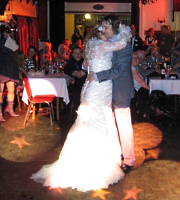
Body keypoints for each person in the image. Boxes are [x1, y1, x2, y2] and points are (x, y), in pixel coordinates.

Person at [31, 22, 131, 191]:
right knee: (97, 123)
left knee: (92, 122)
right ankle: (93, 165)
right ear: (98, 34)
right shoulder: (101, 45)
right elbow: (122, 43)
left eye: (107, 29)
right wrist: (123, 31)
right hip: (98, 88)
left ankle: (85, 158)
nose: (106, 33)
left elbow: (86, 65)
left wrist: (89, 65)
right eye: (103, 30)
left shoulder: (93, 45)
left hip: (95, 87)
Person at [88, 15, 135, 173]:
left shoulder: (124, 46)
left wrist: (96, 76)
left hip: (120, 90)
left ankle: (129, 160)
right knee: (110, 125)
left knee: (124, 126)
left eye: (106, 27)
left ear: (115, 27)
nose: (103, 30)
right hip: (107, 90)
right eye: (102, 27)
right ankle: (116, 154)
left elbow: (116, 71)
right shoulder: (111, 42)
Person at [0, 26, 19, 121]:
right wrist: (5, 38)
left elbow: (15, 49)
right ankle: (0, 113)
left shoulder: (11, 40)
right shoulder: (1, 41)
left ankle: (10, 109)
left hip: (11, 67)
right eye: (6, 31)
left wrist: (9, 38)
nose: (8, 33)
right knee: (0, 90)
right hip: (2, 68)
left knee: (11, 89)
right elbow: (4, 50)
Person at [64, 46, 86, 113]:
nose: (78, 55)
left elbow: (89, 71)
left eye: (79, 53)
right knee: (75, 93)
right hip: (75, 84)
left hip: (83, 83)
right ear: (73, 54)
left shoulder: (84, 61)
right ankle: (77, 112)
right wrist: (73, 74)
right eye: (76, 53)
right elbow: (66, 71)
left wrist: (84, 73)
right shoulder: (71, 62)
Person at [130, 52, 149, 123]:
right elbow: (140, 81)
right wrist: (149, 89)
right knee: (148, 93)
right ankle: (142, 113)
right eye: (133, 58)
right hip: (136, 90)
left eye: (137, 58)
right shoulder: (131, 68)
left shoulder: (136, 67)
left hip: (138, 89)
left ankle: (143, 113)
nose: (136, 60)